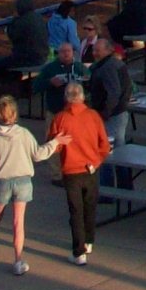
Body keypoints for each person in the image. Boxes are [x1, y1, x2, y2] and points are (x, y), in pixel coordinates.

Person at [0, 95, 62, 276]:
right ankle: (18, 259)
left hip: (2, 181)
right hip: (23, 181)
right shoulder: (23, 133)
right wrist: (55, 142)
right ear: (14, 114)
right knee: (18, 222)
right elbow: (38, 154)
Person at [48, 81, 111, 266]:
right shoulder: (93, 116)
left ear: (66, 97)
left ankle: (78, 251)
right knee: (90, 207)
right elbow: (105, 146)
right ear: (83, 96)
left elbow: (54, 146)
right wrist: (96, 160)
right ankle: (89, 241)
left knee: (76, 211)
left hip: (71, 171)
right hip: (91, 168)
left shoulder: (60, 119)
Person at [86, 33, 134, 187]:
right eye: (94, 50)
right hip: (119, 113)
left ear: (107, 51)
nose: (94, 53)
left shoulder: (108, 68)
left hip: (112, 116)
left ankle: (108, 189)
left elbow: (113, 93)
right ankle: (125, 186)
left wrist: (104, 113)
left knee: (106, 151)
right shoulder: (115, 64)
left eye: (97, 50)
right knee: (119, 152)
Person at [0, 0, 50, 83]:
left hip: (27, 60)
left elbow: (12, 35)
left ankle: (11, 82)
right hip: (42, 57)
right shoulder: (39, 18)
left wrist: (14, 20)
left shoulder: (21, 21)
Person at [35, 40, 90, 109]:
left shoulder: (80, 68)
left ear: (73, 53)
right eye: (63, 51)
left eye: (68, 51)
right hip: (55, 110)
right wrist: (50, 82)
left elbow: (91, 83)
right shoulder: (50, 68)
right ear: (58, 53)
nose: (66, 53)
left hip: (77, 110)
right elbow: (36, 86)